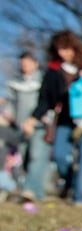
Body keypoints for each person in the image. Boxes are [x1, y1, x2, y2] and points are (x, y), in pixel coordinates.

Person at [22, 30, 82, 206]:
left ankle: (81, 196)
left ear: (74, 48)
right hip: (65, 118)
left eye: (66, 48)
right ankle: (71, 180)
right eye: (59, 49)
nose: (63, 53)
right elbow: (45, 99)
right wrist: (32, 119)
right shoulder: (53, 70)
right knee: (59, 155)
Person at [3, 51, 42, 199]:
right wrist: (9, 114)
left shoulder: (42, 81)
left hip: (37, 125)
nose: (24, 66)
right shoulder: (15, 82)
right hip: (19, 126)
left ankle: (33, 190)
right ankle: (24, 188)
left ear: (35, 64)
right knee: (22, 158)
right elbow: (11, 102)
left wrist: (33, 120)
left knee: (36, 157)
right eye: (22, 63)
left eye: (28, 62)